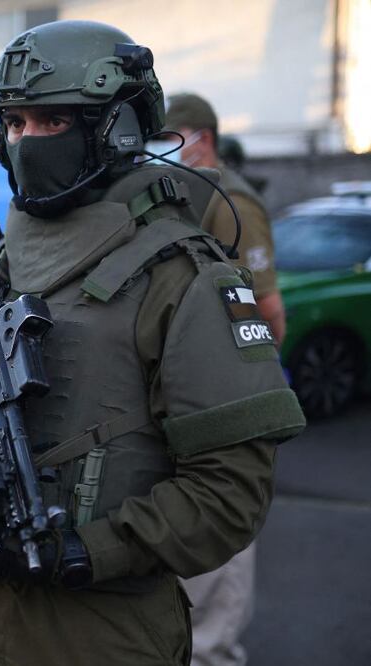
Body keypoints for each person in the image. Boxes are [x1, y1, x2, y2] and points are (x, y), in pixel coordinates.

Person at [0, 20, 306, 665]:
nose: (26, 141)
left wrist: (81, 551)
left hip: (99, 636)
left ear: (119, 128)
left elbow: (228, 495)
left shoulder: (181, 278)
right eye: (14, 123)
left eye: (51, 121)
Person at [164, 92, 284, 666]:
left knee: (220, 571)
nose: (159, 154)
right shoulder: (183, 196)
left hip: (225, 409)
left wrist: (226, 374)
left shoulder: (231, 200)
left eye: (170, 140)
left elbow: (268, 313)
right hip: (188, 408)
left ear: (201, 139)